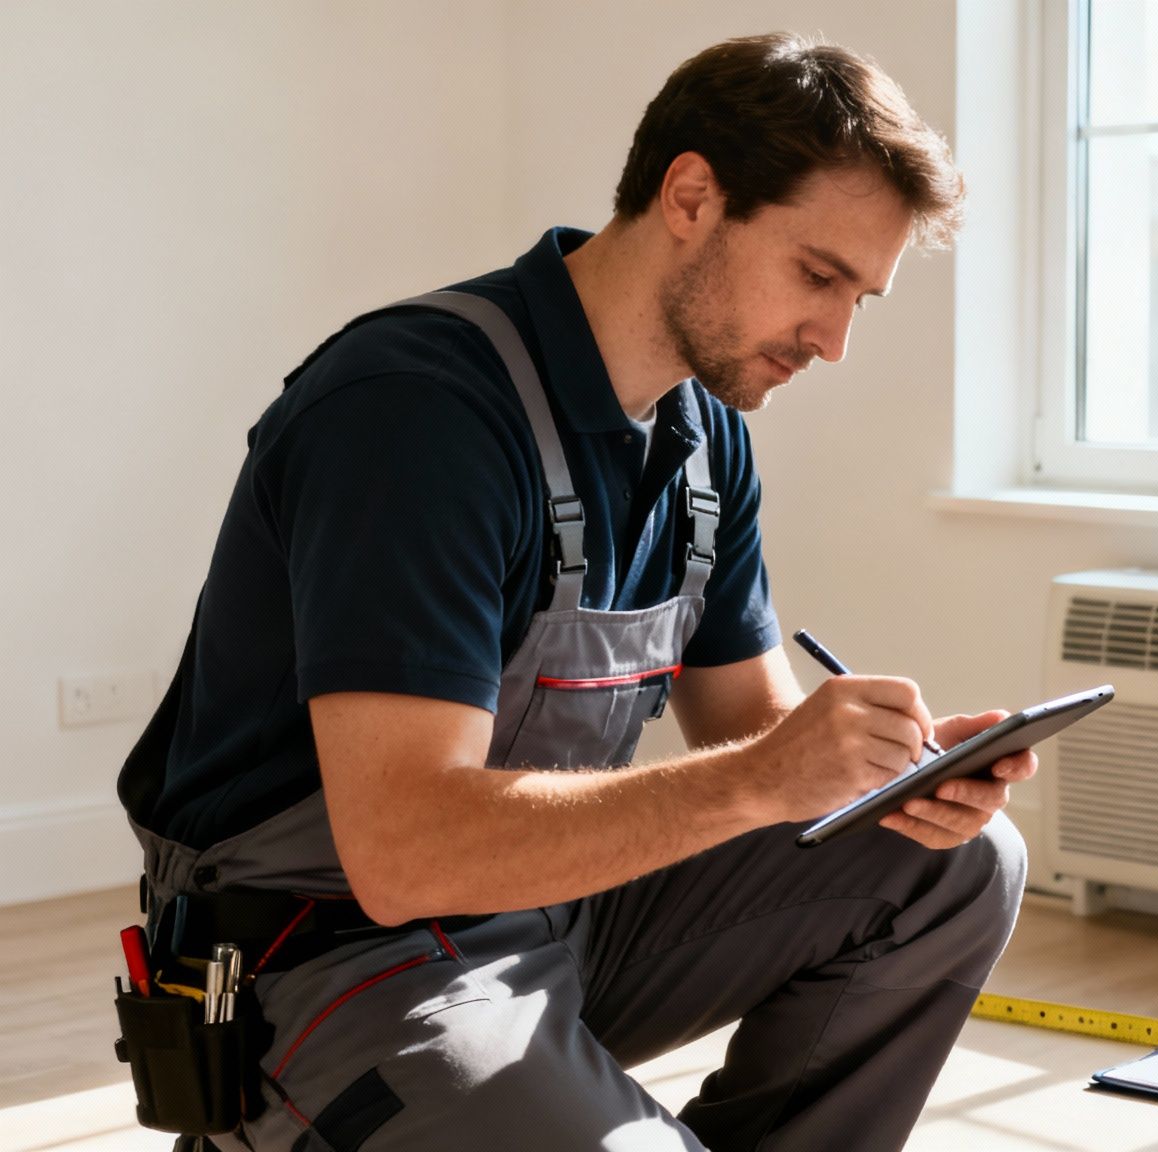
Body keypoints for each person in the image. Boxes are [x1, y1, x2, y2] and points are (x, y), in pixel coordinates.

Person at [117, 32, 1029, 1152]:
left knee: (956, 861)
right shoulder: (417, 414)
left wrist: (889, 771)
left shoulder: (704, 440)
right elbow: (405, 853)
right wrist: (763, 777)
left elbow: (756, 731)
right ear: (690, 195)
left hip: (541, 923)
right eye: (817, 275)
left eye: (861, 299)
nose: (833, 341)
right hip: (323, 963)